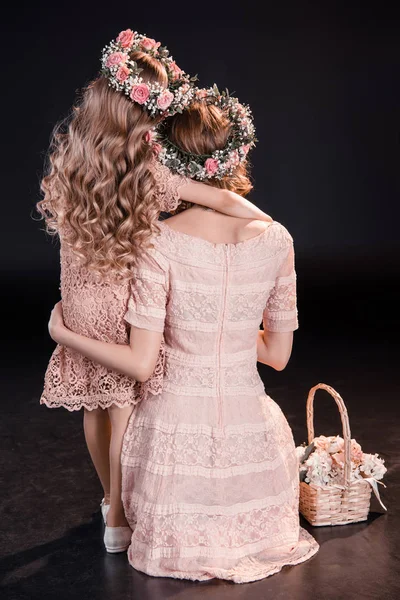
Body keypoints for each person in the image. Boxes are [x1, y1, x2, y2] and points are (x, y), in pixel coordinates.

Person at [47, 88, 319, 583]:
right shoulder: (279, 240)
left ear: (168, 155)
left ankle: (116, 518)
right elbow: (278, 355)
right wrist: (232, 335)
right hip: (253, 453)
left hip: (174, 451)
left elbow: (141, 363)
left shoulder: (158, 241)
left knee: (109, 403)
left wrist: (61, 332)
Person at [37, 30, 273, 554]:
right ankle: (119, 518)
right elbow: (222, 201)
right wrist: (266, 226)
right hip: (124, 300)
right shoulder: (149, 171)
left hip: (78, 299)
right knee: (125, 406)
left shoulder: (71, 158)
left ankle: (107, 497)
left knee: (95, 407)